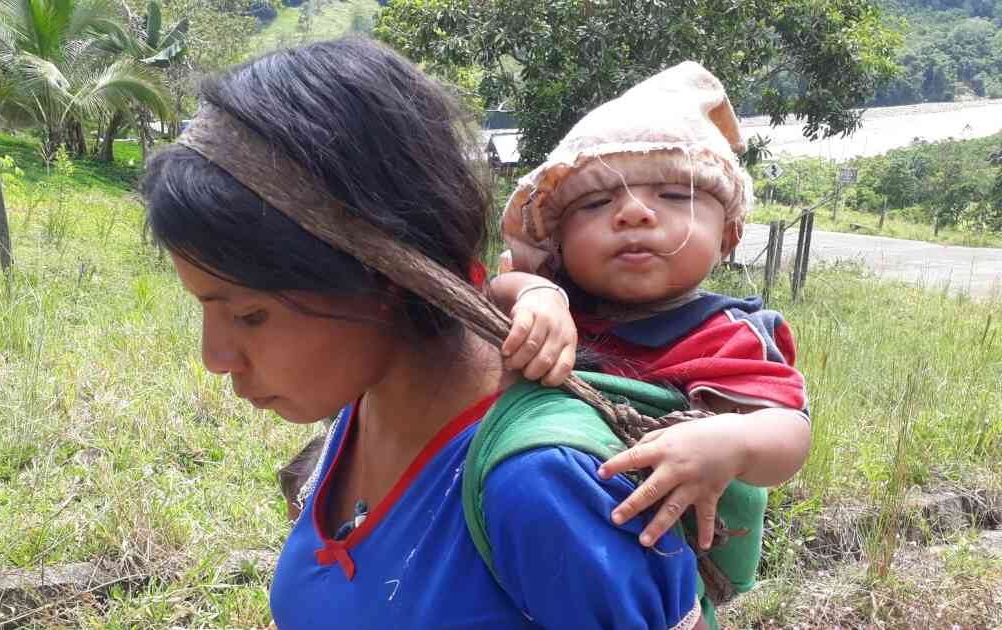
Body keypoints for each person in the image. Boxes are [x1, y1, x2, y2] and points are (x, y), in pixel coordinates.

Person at [144, 38, 706, 629]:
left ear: (383, 278)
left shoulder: (542, 488)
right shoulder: (365, 405)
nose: (215, 356)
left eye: (249, 315)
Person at [490, 61, 812, 553]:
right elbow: (493, 298)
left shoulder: (729, 333)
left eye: (670, 195)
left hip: (668, 564)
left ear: (729, 235)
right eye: (596, 203)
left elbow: (789, 432)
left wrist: (732, 442)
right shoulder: (559, 309)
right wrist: (536, 293)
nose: (633, 212)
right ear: (558, 242)